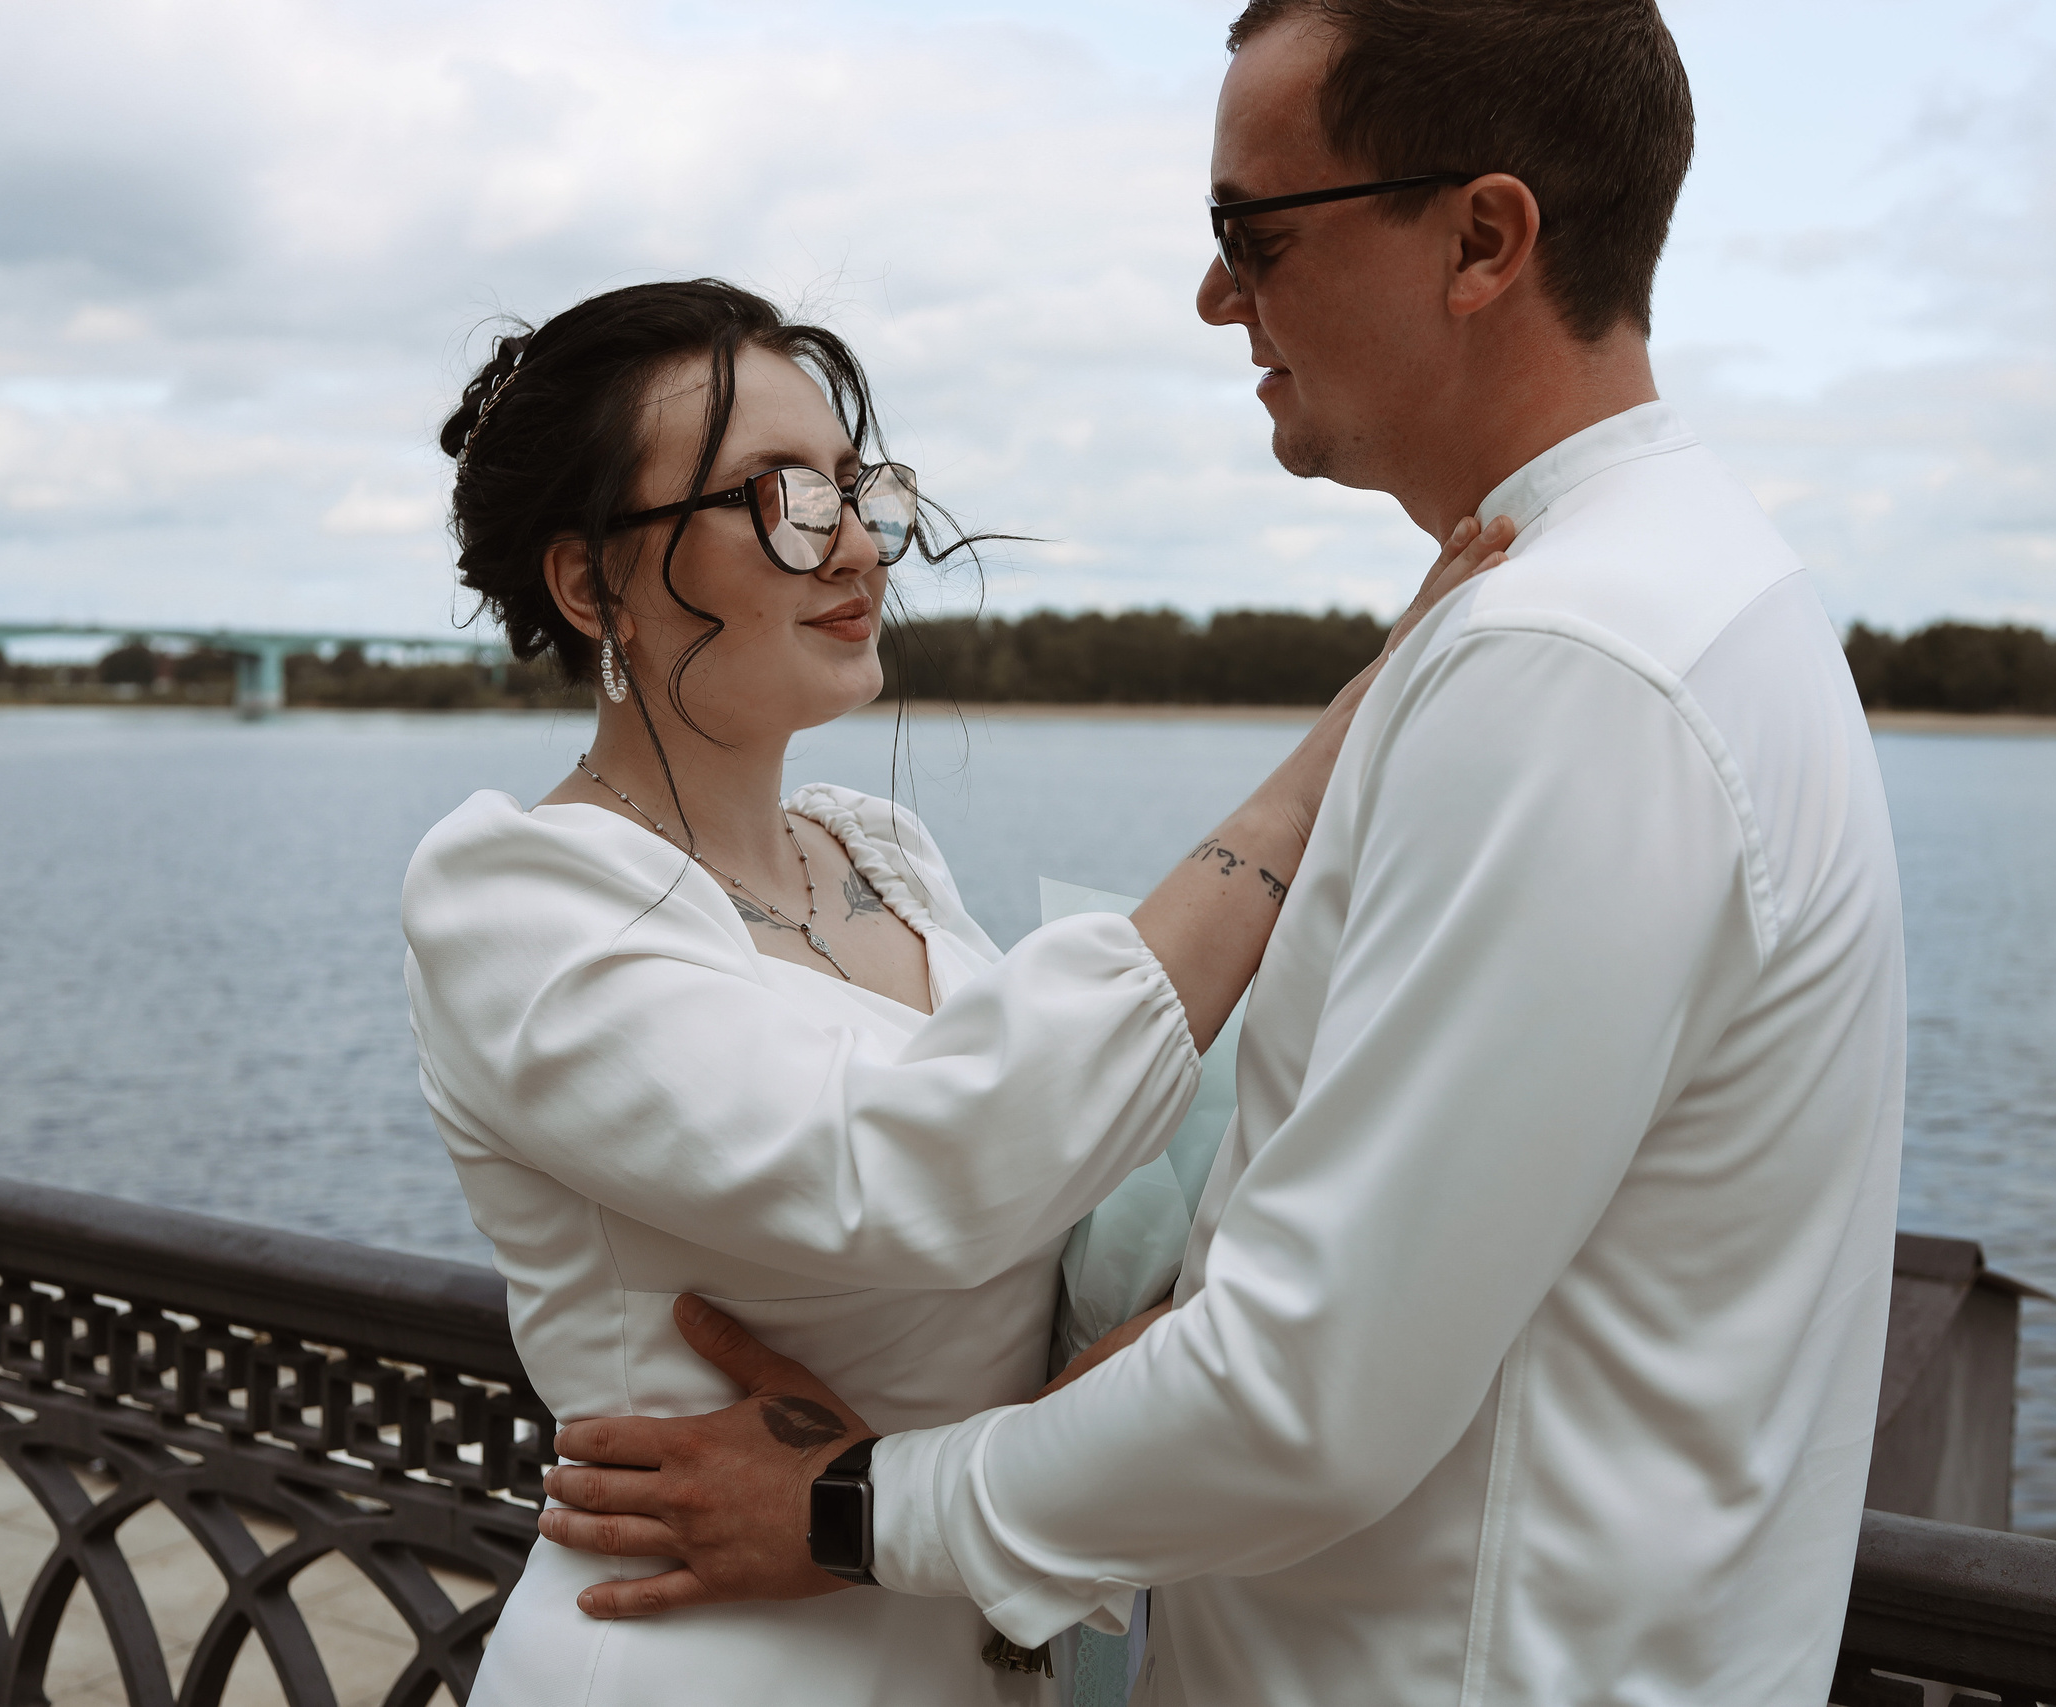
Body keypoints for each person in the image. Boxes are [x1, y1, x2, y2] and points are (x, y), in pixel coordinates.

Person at [536, 4, 1909, 1705]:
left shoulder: (1569, 666)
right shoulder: (1677, 604)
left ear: (1482, 239)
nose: (1214, 299)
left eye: (1251, 234)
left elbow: (1307, 1387)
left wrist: (857, 1509)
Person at [400, 277, 1509, 1705]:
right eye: (776, 498)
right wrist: (1336, 751)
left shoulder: (883, 855)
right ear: (589, 581)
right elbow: (923, 1166)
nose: (854, 541)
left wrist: (888, 1501)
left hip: (943, 1635)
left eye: (855, 488)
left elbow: (1046, 1223)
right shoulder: (518, 902)